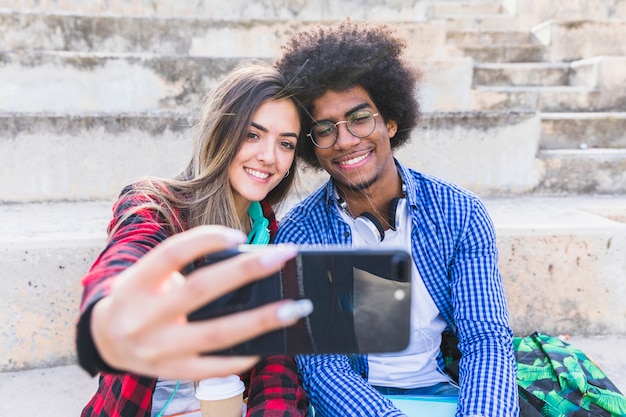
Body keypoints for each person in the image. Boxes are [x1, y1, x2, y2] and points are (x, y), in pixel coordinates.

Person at [273, 19, 519, 417]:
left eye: (360, 118)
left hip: (449, 395)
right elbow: (323, 368)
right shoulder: (301, 233)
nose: (346, 140)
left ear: (390, 121)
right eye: (324, 128)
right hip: (352, 405)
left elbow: (485, 338)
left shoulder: (459, 213)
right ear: (312, 147)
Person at [75, 61, 313, 417]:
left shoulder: (272, 236)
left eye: (286, 143)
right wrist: (108, 315)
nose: (269, 157)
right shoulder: (154, 203)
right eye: (252, 134)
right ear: (221, 131)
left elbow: (276, 362)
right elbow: (127, 256)